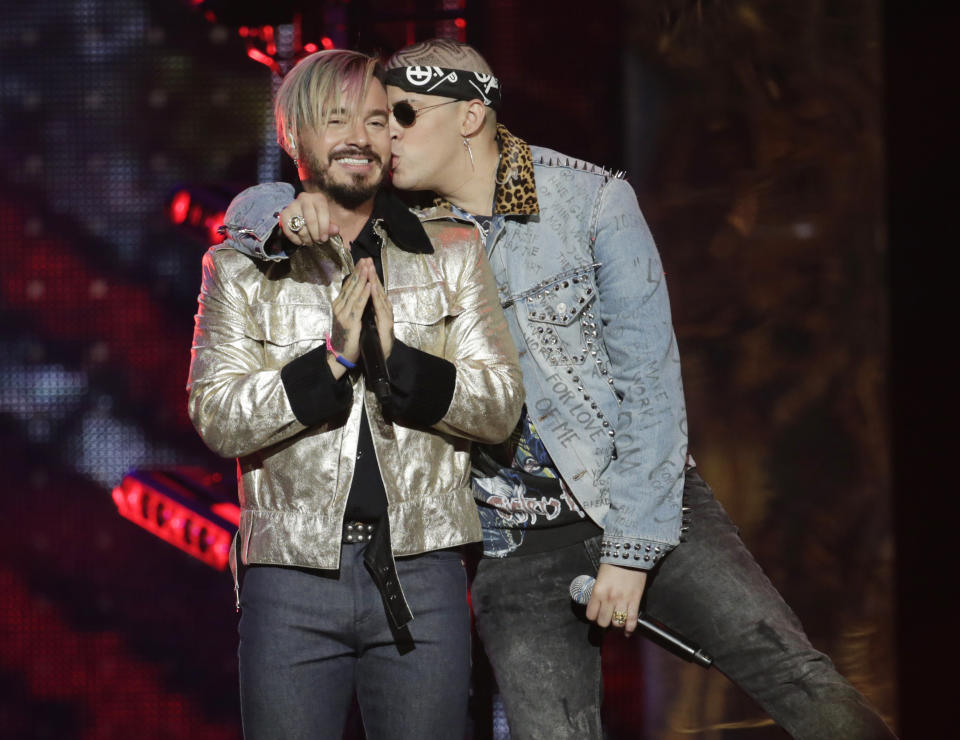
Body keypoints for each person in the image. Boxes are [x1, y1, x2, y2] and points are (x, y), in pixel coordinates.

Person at [223, 39, 896, 740]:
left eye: (401, 115)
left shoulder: (590, 201)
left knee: (798, 679)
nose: (381, 134)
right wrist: (274, 209)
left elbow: (653, 394)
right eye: (373, 118)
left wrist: (631, 554)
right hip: (511, 543)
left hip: (637, 504)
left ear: (468, 117)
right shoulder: (404, 221)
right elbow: (274, 199)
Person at [186, 48, 523, 739]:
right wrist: (333, 361)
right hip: (289, 576)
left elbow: (498, 407)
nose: (359, 136)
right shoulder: (242, 266)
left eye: (376, 119)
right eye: (336, 118)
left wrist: (397, 361)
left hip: (422, 568)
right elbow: (216, 416)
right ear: (294, 136)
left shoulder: (452, 251)